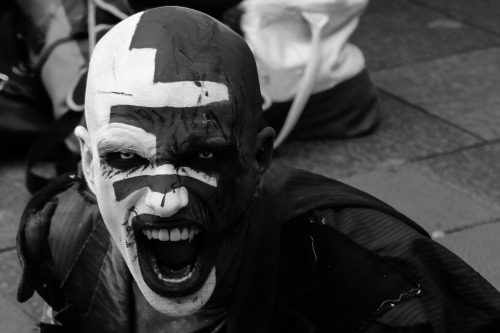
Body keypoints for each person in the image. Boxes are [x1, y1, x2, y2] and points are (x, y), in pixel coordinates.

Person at [16, 6, 500, 333]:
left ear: (260, 159)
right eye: (126, 158)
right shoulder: (63, 236)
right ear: (87, 162)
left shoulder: (373, 284)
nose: (165, 199)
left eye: (203, 156)